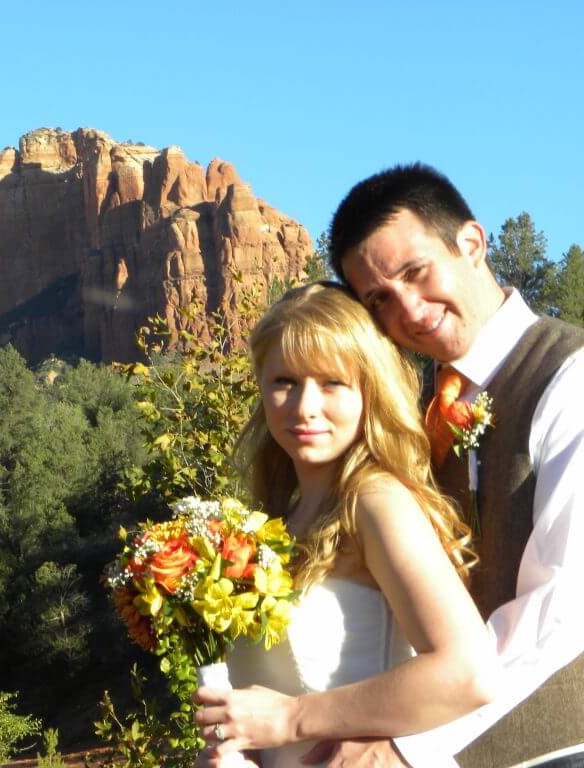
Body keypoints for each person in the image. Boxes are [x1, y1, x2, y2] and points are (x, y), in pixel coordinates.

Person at [310, 163, 584, 768]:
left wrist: (410, 740)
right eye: (379, 298)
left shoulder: (569, 376)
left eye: (415, 272)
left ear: (472, 244)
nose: (407, 308)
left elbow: (565, 605)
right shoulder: (410, 413)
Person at [194, 282, 497, 768]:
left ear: (368, 389)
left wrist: (291, 719)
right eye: (284, 382)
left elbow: (470, 672)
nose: (304, 406)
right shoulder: (274, 523)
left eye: (331, 382)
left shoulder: (375, 502)